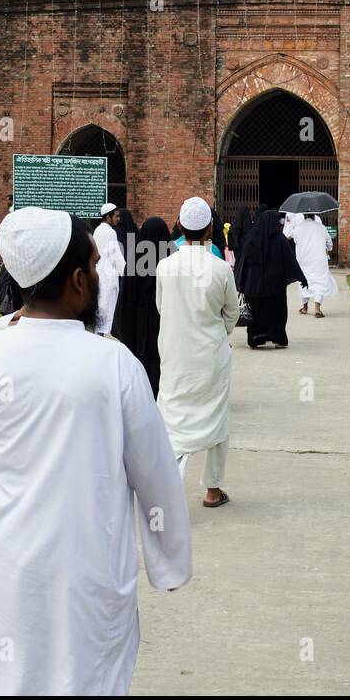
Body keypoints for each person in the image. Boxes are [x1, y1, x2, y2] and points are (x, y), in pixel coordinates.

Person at [0, 208, 191, 695]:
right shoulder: (114, 364)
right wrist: (169, 561)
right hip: (86, 569)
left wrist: (8, 330)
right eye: (97, 266)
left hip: (4, 563)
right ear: (79, 281)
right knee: (81, 677)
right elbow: (155, 475)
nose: (102, 276)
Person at [156, 197, 239, 508]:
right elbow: (231, 313)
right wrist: (218, 332)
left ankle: (170, 490)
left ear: (180, 227)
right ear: (209, 229)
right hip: (211, 357)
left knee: (173, 421)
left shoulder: (165, 266)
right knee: (216, 420)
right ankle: (213, 490)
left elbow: (161, 307)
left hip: (175, 354)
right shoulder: (220, 268)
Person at [112, 215, 171, 397]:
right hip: (164, 328)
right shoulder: (172, 261)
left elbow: (126, 298)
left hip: (138, 327)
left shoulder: (135, 259)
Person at [236, 206, 308, 349]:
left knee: (256, 312)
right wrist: (301, 277)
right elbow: (290, 260)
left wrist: (240, 282)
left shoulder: (251, 237)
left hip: (253, 286)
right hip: (275, 285)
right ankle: (278, 338)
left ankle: (255, 338)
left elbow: (242, 262)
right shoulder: (280, 239)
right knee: (277, 312)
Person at [292, 214, 337, 318]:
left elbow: (295, 241)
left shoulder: (298, 228)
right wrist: (327, 249)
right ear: (314, 216)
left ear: (304, 216)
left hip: (304, 260)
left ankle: (304, 307)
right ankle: (317, 308)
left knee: (304, 282)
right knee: (319, 282)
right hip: (319, 260)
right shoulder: (321, 227)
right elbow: (329, 244)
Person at [93, 202, 125, 335]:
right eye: (116, 216)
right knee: (108, 307)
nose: (118, 219)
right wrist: (125, 272)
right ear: (108, 217)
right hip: (109, 275)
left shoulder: (97, 230)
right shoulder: (111, 232)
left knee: (101, 304)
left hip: (99, 272)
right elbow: (115, 255)